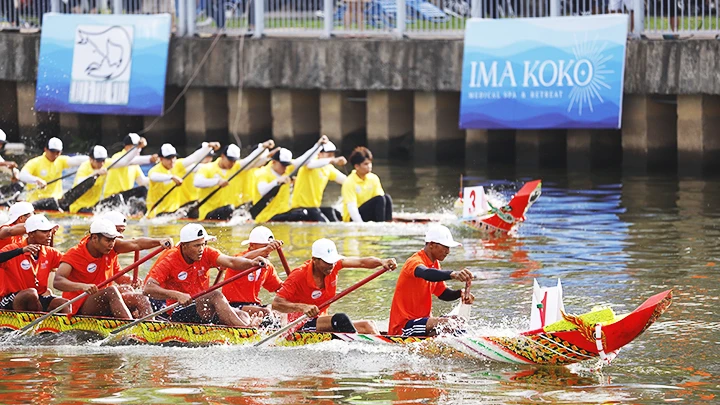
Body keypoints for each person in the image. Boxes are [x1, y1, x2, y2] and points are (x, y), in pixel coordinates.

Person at [143, 224, 267, 327]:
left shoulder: (206, 252)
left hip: (202, 307)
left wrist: (252, 262)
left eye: (203, 244)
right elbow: (148, 289)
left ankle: (246, 327)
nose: (201, 248)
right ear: (184, 246)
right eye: (197, 245)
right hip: (177, 311)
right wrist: (177, 295)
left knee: (242, 314)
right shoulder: (170, 260)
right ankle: (246, 331)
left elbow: (231, 261)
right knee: (215, 295)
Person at [272, 238, 397, 334]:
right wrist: (303, 307)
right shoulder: (298, 275)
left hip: (320, 320)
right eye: (327, 262)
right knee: (341, 319)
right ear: (315, 260)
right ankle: (357, 347)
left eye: (332, 261)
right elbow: (276, 304)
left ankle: (385, 348)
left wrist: (382, 261)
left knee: (368, 325)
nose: (331, 265)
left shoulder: (334, 264)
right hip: (298, 324)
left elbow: (362, 262)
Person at [53, 219, 172, 318]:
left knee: (137, 296)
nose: (111, 244)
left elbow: (137, 244)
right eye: (108, 240)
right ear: (94, 238)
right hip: (79, 304)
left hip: (103, 298)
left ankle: (149, 328)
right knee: (112, 291)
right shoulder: (75, 254)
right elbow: (58, 281)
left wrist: (159, 241)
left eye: (113, 240)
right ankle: (129, 329)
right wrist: (83, 287)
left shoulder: (112, 246)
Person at [388, 225, 474, 337]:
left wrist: (460, 293)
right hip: (403, 327)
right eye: (445, 247)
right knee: (449, 323)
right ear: (432, 245)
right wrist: (453, 274)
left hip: (422, 323)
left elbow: (443, 294)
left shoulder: (435, 264)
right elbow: (426, 273)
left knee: (457, 321)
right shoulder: (414, 261)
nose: (448, 251)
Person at [0, 214, 68, 313]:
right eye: (44, 231)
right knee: (30, 293)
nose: (49, 234)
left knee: (64, 303)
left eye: (50, 231)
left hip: (37, 298)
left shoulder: (49, 252)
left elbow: (71, 262)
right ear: (31, 234)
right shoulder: (13, 249)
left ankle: (64, 327)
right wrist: (21, 251)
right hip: (11, 299)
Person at [252, 136, 327, 223]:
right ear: (273, 162)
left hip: (283, 212)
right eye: (283, 165)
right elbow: (262, 191)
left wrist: (318, 146)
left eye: (286, 165)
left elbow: (304, 159)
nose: (285, 168)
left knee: (306, 212)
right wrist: (277, 181)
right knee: (302, 214)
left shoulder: (287, 169)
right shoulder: (263, 174)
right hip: (266, 216)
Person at [193, 140, 274, 220]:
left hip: (230, 212)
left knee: (242, 209)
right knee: (229, 209)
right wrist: (217, 182)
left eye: (234, 160)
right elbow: (197, 182)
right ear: (222, 156)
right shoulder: (207, 168)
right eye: (230, 160)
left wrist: (262, 147)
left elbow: (250, 160)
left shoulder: (237, 167)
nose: (232, 163)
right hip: (209, 212)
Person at [219, 226, 284, 318]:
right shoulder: (239, 259)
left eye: (270, 248)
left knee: (279, 310)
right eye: (265, 247)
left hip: (254, 305)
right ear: (252, 246)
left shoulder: (267, 267)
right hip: (232, 306)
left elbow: (279, 288)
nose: (268, 251)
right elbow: (239, 260)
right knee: (266, 312)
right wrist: (266, 250)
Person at [145, 142, 219, 218]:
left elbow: (194, 157)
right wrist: (171, 177)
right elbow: (153, 177)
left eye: (173, 157)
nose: (172, 161)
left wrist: (208, 147)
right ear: (160, 159)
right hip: (157, 213)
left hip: (175, 212)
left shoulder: (177, 165)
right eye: (168, 158)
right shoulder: (155, 170)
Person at [68, 145, 142, 214]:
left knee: (116, 198)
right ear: (91, 159)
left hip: (94, 205)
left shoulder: (106, 164)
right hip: (79, 207)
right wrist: (95, 173)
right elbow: (79, 182)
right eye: (98, 161)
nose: (101, 164)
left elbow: (124, 162)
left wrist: (137, 147)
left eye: (103, 160)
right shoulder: (84, 167)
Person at [290, 140, 347, 222]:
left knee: (332, 212)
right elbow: (311, 164)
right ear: (319, 154)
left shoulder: (328, 168)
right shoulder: (309, 164)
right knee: (325, 223)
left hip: (314, 208)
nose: (332, 157)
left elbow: (345, 180)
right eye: (329, 155)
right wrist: (332, 160)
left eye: (333, 155)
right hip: (301, 208)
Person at [18, 137, 88, 204]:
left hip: (55, 202)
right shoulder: (35, 162)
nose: (55, 155)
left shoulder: (61, 161)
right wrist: (37, 180)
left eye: (58, 152)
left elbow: (76, 160)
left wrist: (93, 159)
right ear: (45, 149)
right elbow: (22, 175)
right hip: (36, 201)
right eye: (52, 152)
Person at [102, 133, 158, 211]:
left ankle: (151, 211)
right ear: (127, 147)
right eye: (137, 147)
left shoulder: (135, 163)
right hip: (111, 199)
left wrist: (159, 178)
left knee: (143, 196)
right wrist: (149, 159)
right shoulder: (117, 157)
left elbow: (142, 181)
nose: (139, 150)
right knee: (141, 190)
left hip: (125, 198)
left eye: (139, 147)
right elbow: (125, 161)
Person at [341, 146, 392, 223]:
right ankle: (381, 225)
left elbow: (381, 201)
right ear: (357, 166)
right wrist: (361, 225)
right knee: (380, 199)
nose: (369, 166)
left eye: (370, 163)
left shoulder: (374, 178)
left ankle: (388, 222)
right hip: (352, 217)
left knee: (386, 198)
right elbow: (352, 208)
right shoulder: (349, 182)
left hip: (367, 213)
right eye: (366, 164)